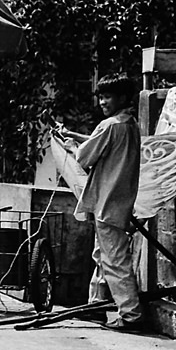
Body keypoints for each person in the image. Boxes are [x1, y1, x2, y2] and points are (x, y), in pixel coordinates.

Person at [59, 73, 144, 332]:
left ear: (122, 98)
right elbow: (99, 147)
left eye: (108, 97)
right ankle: (95, 305)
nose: (103, 102)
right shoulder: (129, 125)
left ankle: (131, 315)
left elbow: (85, 157)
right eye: (102, 97)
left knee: (114, 261)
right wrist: (78, 140)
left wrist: (72, 145)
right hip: (118, 201)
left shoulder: (109, 126)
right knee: (102, 256)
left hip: (108, 204)